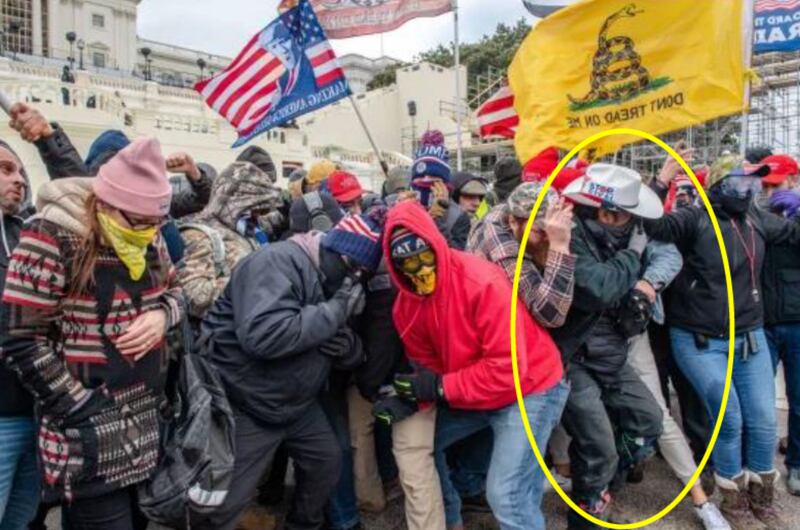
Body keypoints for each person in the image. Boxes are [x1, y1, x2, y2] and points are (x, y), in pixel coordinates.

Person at [0, 137, 183, 530]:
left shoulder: (148, 236)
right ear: (105, 202)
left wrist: (162, 316)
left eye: (157, 224)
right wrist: (80, 407)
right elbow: (19, 337)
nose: (149, 232)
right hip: (86, 439)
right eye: (139, 222)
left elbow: (177, 291)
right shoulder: (49, 236)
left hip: (145, 430)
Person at [382, 200, 568, 530]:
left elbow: (508, 370)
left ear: (436, 246)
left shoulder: (481, 282)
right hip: (477, 390)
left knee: (507, 495)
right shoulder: (405, 308)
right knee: (421, 446)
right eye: (406, 262)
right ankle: (452, 520)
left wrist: (438, 388)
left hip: (530, 388)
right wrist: (413, 398)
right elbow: (427, 365)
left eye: (424, 257)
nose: (419, 269)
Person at [198, 213, 383, 530]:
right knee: (224, 501)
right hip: (248, 401)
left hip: (295, 403)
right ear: (335, 252)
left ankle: (302, 524)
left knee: (326, 462)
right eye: (352, 268)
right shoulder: (276, 262)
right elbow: (264, 336)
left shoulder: (335, 278)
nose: (354, 279)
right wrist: (335, 313)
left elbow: (344, 341)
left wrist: (349, 350)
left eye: (361, 274)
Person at [646, 154, 800, 529]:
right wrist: (661, 180)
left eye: (754, 183)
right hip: (699, 342)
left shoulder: (755, 219)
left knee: (763, 420)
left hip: (749, 339)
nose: (749, 189)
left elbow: (793, 234)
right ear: (717, 186)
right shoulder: (693, 219)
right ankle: (733, 500)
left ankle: (762, 497)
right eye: (740, 182)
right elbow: (651, 224)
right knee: (728, 419)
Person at [553, 164, 667, 529]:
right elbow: (598, 287)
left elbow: (665, 256)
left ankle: (604, 484)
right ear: (601, 211)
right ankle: (586, 514)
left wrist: (646, 287)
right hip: (573, 359)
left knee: (648, 420)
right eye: (624, 217)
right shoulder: (571, 238)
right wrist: (633, 258)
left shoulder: (623, 238)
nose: (631, 226)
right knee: (597, 445)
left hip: (613, 355)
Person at [7, 102, 214, 218]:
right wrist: (47, 137)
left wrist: (194, 173)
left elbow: (201, 201)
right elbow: (80, 188)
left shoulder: (153, 205)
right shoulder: (85, 206)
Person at [178, 158, 285, 321]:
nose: (259, 215)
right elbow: (195, 298)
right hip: (218, 334)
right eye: (255, 209)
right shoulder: (198, 235)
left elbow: (277, 218)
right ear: (237, 203)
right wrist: (254, 283)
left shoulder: (247, 227)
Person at [0, 140, 40, 530]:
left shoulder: (28, 237)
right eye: (4, 170)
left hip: (34, 410)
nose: (18, 181)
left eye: (19, 172)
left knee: (20, 518)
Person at [759, 154, 800, 497]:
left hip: (797, 322)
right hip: (764, 320)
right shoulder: (757, 217)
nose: (770, 192)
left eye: (775, 185)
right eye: (765, 185)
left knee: (799, 400)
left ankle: (797, 466)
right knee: (758, 399)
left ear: (792, 180)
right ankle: (758, 464)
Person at [407, 130, 471, 249]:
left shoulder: (457, 216)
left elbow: (456, 257)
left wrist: (437, 220)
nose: (426, 180)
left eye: (433, 176)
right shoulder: (400, 204)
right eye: (420, 176)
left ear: (444, 181)